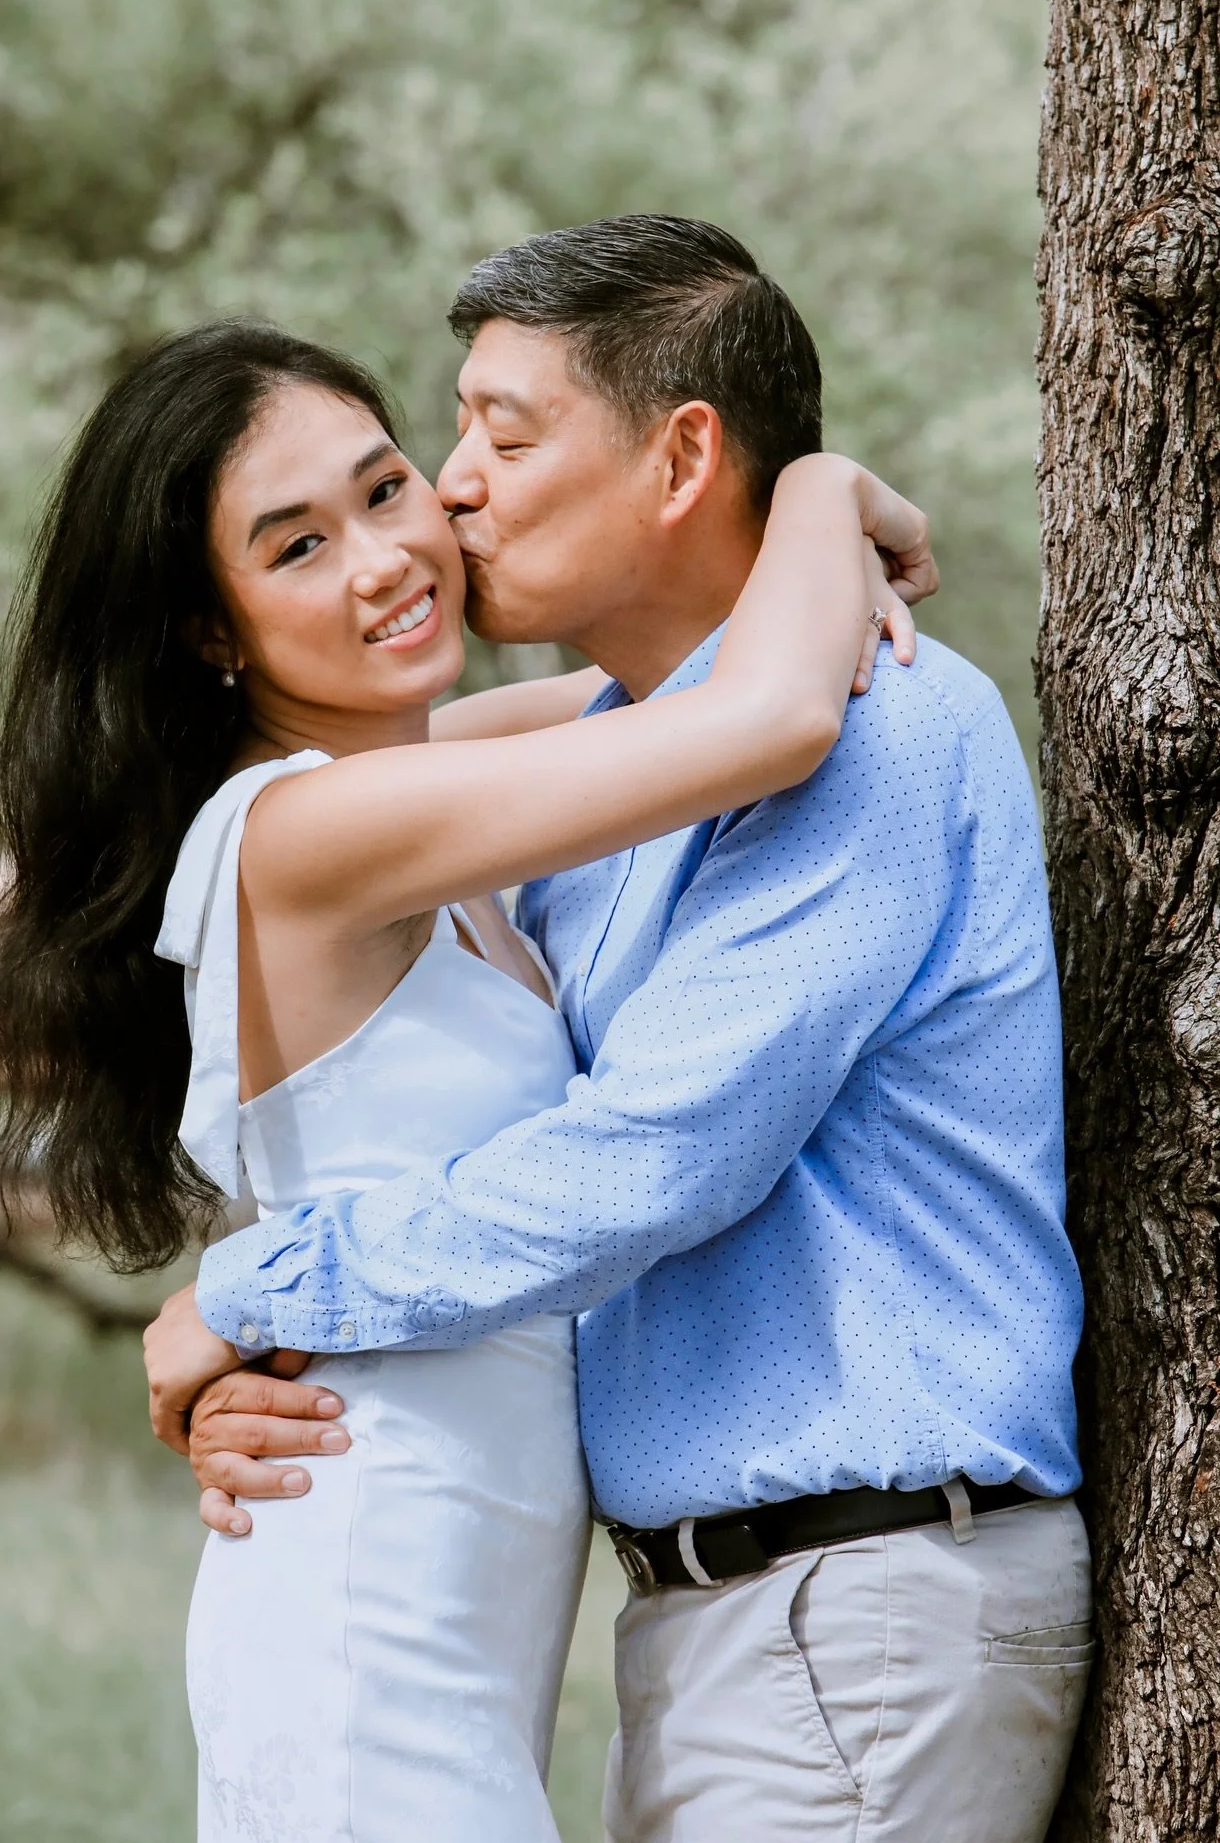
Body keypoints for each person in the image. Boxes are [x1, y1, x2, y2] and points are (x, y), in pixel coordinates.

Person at [146, 217, 1091, 1843]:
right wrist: (822, 494)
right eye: (300, 539)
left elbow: (654, 1160)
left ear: (680, 462)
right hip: (702, 1615)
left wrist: (243, 1296)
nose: (443, 496)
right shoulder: (603, 779)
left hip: (852, 1593)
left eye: (488, 440)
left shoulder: (873, 724)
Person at [0, 285, 928, 1839]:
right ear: (212, 629)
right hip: (369, 1606)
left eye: (383, 486)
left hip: (455, 1605)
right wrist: (816, 486)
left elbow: (680, 676)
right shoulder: (310, 828)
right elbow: (764, 715)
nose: (385, 561)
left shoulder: (418, 777)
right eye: (296, 547)